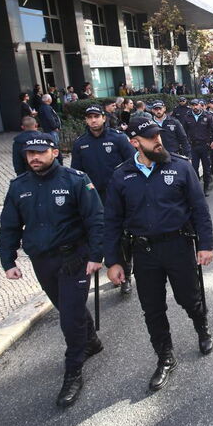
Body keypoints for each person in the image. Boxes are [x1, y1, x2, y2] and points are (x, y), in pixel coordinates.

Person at [102, 119, 213, 392]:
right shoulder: (121, 175)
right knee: (152, 308)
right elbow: (112, 221)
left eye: (159, 135)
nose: (158, 141)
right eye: (151, 138)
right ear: (135, 142)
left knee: (189, 298)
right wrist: (114, 261)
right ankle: (165, 356)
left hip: (178, 247)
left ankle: (202, 327)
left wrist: (206, 245)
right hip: (144, 252)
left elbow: (199, 209)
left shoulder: (180, 166)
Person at [0, 134, 104, 407]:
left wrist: (97, 254)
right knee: (66, 307)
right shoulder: (18, 186)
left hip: (74, 258)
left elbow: (95, 219)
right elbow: (10, 225)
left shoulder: (76, 180)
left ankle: (73, 371)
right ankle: (91, 341)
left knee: (69, 317)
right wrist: (8, 260)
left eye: (40, 152)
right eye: (29, 153)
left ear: (54, 152)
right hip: (42, 261)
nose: (34, 157)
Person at [71, 105, 135, 294]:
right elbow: (77, 173)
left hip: (118, 196)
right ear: (86, 120)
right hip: (93, 198)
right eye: (89, 117)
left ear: (104, 118)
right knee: (101, 235)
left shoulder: (118, 138)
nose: (93, 120)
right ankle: (113, 267)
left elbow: (132, 163)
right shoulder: (80, 143)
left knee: (122, 237)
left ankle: (126, 275)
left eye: (96, 116)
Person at [181, 99, 213, 195]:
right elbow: (184, 132)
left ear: (200, 105)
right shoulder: (187, 117)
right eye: (193, 105)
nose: (195, 107)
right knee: (194, 168)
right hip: (193, 146)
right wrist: (185, 144)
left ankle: (206, 187)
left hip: (205, 146)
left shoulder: (207, 116)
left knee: (206, 168)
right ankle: (197, 187)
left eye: (196, 105)